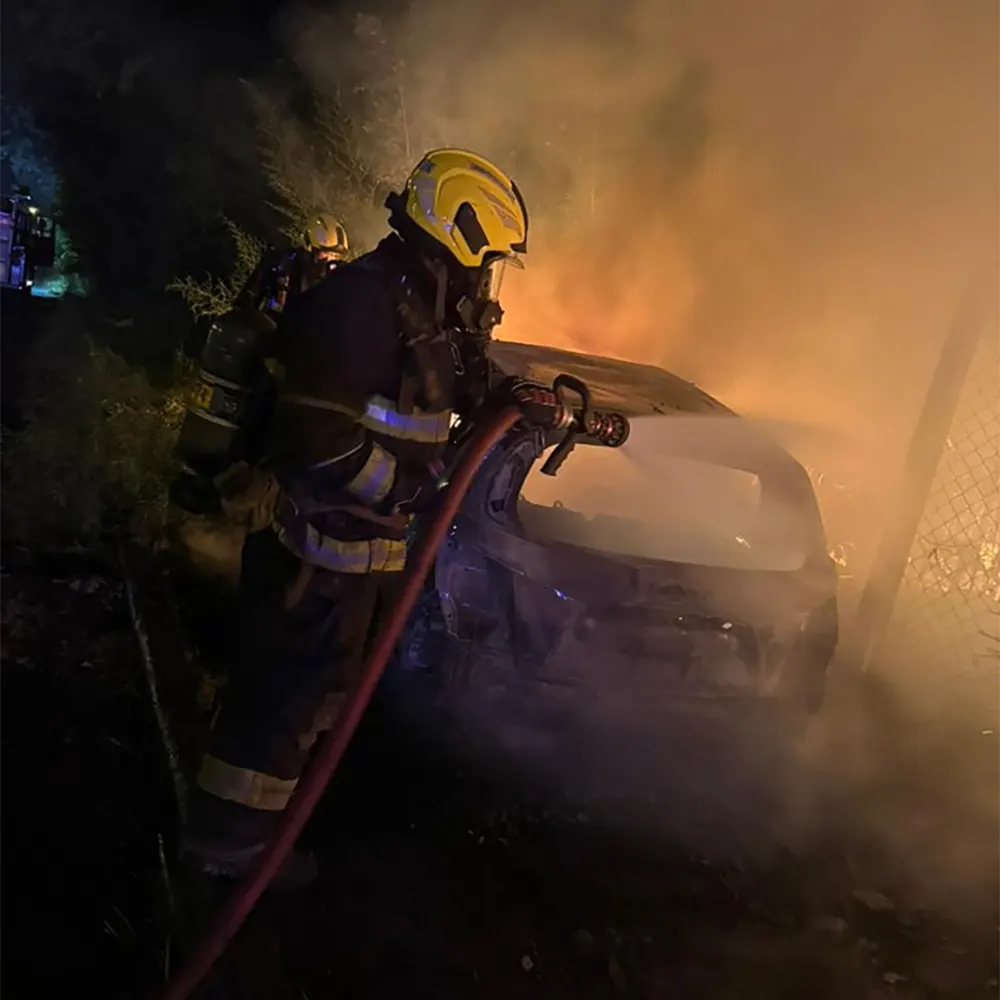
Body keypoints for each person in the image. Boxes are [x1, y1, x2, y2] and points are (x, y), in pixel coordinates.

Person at [179, 148, 551, 889]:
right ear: (462, 233)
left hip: (354, 555)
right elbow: (318, 437)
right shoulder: (363, 303)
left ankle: (259, 842)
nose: (490, 279)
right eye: (492, 260)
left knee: (314, 699)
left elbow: (445, 405)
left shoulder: (417, 311)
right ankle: (225, 856)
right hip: (313, 552)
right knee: (282, 702)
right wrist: (402, 492)